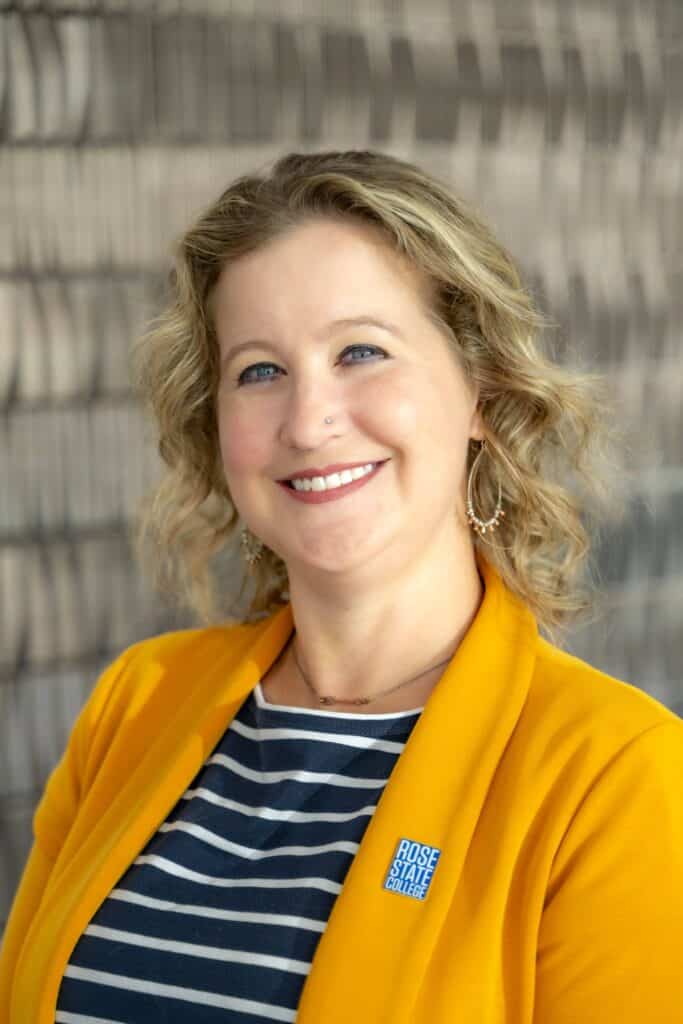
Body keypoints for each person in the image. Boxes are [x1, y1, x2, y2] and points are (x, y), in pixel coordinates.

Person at [1, 149, 682, 1023]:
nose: (309, 419)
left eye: (360, 351)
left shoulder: (613, 776)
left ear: (479, 389)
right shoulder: (136, 706)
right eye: (259, 371)